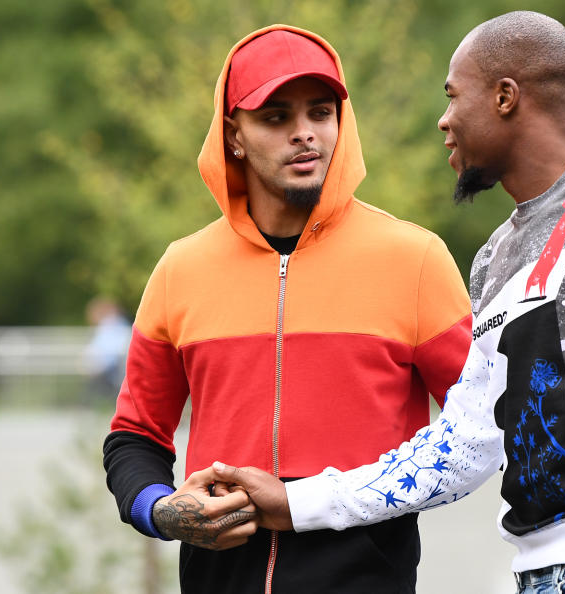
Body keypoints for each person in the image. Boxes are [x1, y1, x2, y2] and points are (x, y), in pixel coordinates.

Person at [210, 11, 565, 594]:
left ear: (505, 97)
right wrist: (296, 503)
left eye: (454, 97)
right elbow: (462, 443)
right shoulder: (497, 256)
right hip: (542, 574)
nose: (443, 120)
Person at [102, 25, 472, 594]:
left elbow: (480, 426)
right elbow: (135, 434)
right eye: (276, 117)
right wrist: (160, 510)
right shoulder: (181, 269)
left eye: (320, 113)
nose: (305, 134)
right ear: (234, 137)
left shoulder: (415, 260)